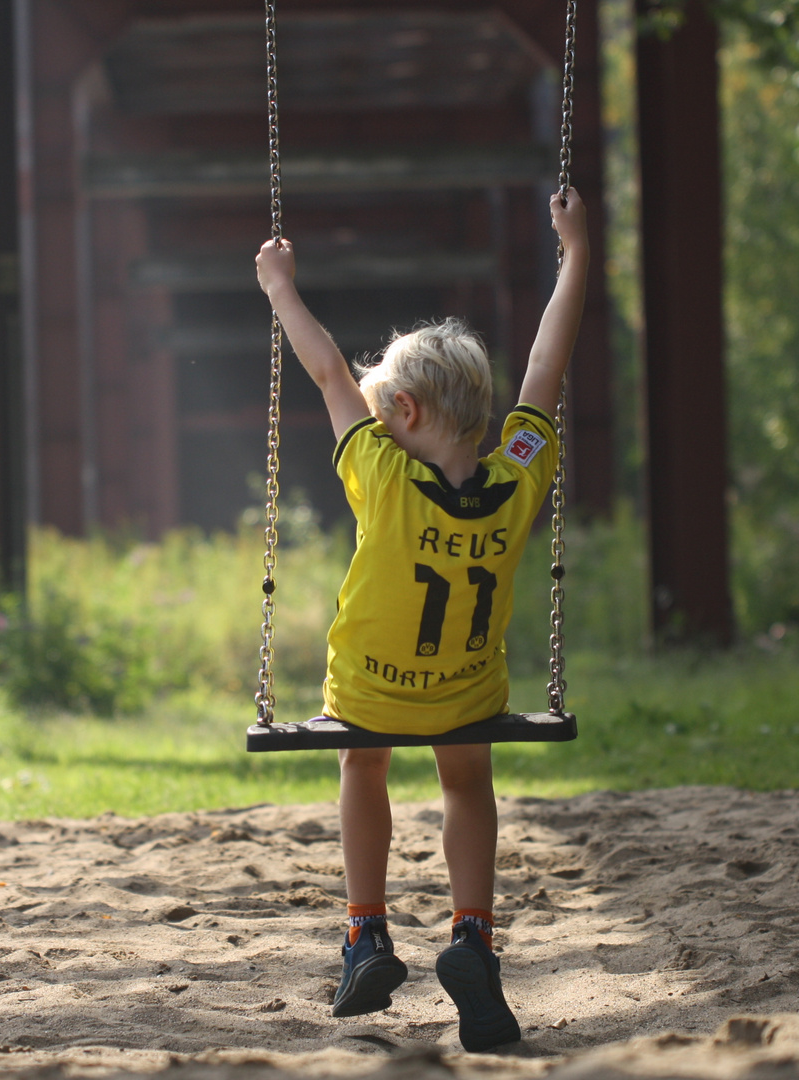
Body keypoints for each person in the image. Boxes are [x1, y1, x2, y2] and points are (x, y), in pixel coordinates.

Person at [254, 188, 589, 1053]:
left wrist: (281, 290)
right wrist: (576, 253)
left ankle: (366, 934)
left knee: (363, 766)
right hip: (464, 693)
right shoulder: (518, 476)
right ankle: (472, 935)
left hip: (370, 692)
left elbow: (327, 371)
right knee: (465, 779)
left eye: (379, 411)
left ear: (400, 415)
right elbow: (546, 369)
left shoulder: (383, 477)